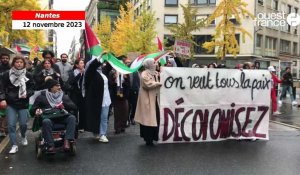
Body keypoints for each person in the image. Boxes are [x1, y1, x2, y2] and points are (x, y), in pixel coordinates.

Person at [30, 79, 77, 153]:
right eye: (57, 86)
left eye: (59, 85)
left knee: (72, 118)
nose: (59, 87)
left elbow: (74, 107)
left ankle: (67, 141)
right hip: (49, 118)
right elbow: (32, 110)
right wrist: (36, 111)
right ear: (51, 87)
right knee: (46, 121)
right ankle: (50, 145)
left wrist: (64, 104)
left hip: (62, 117)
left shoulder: (63, 96)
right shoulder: (41, 97)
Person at [0, 55, 34, 154]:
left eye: (21, 62)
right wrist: (2, 99)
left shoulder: (28, 75)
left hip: (23, 103)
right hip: (10, 103)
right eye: (17, 62)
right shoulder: (6, 74)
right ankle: (14, 145)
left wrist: (27, 93)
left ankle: (23, 136)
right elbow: (1, 88)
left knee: (23, 124)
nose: (19, 64)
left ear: (24, 64)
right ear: (13, 63)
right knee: (11, 125)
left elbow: (32, 87)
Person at [84, 53, 111, 142]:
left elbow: (109, 67)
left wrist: (108, 58)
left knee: (104, 117)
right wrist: (99, 56)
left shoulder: (102, 73)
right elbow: (92, 66)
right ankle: (96, 132)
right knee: (96, 117)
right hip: (96, 99)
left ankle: (103, 134)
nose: (100, 65)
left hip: (106, 99)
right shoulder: (90, 74)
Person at [134, 59, 162, 146]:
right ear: (149, 64)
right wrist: (158, 83)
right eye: (154, 63)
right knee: (148, 120)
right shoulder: (144, 74)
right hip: (147, 100)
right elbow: (148, 84)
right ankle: (148, 139)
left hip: (155, 100)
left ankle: (154, 137)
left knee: (155, 118)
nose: (155, 64)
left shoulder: (156, 73)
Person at [68, 59, 86, 131]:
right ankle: (75, 125)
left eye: (83, 63)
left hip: (83, 93)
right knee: (75, 109)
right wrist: (80, 74)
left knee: (82, 110)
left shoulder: (86, 72)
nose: (83, 64)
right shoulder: (72, 72)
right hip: (75, 93)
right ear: (76, 65)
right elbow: (72, 81)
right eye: (81, 63)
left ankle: (82, 126)